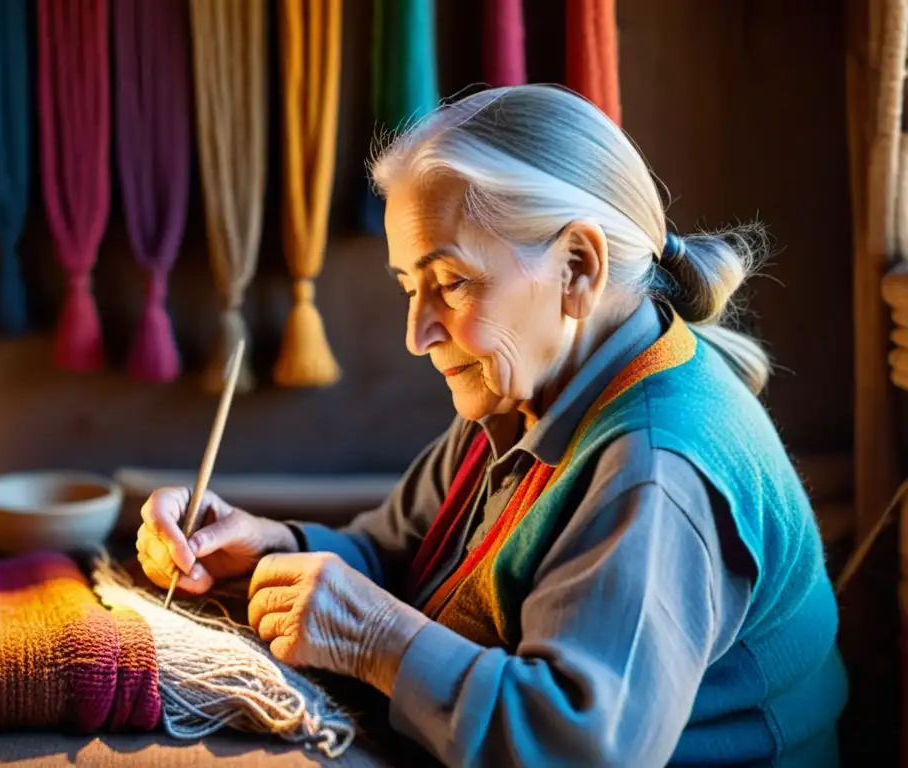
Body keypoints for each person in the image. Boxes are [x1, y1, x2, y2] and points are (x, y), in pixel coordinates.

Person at [136, 84, 848, 767]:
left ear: (577, 268)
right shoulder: (531, 386)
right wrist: (268, 548)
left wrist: (377, 638)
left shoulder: (657, 470)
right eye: (410, 288)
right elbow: (399, 555)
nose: (417, 333)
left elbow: (580, 748)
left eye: (450, 283)